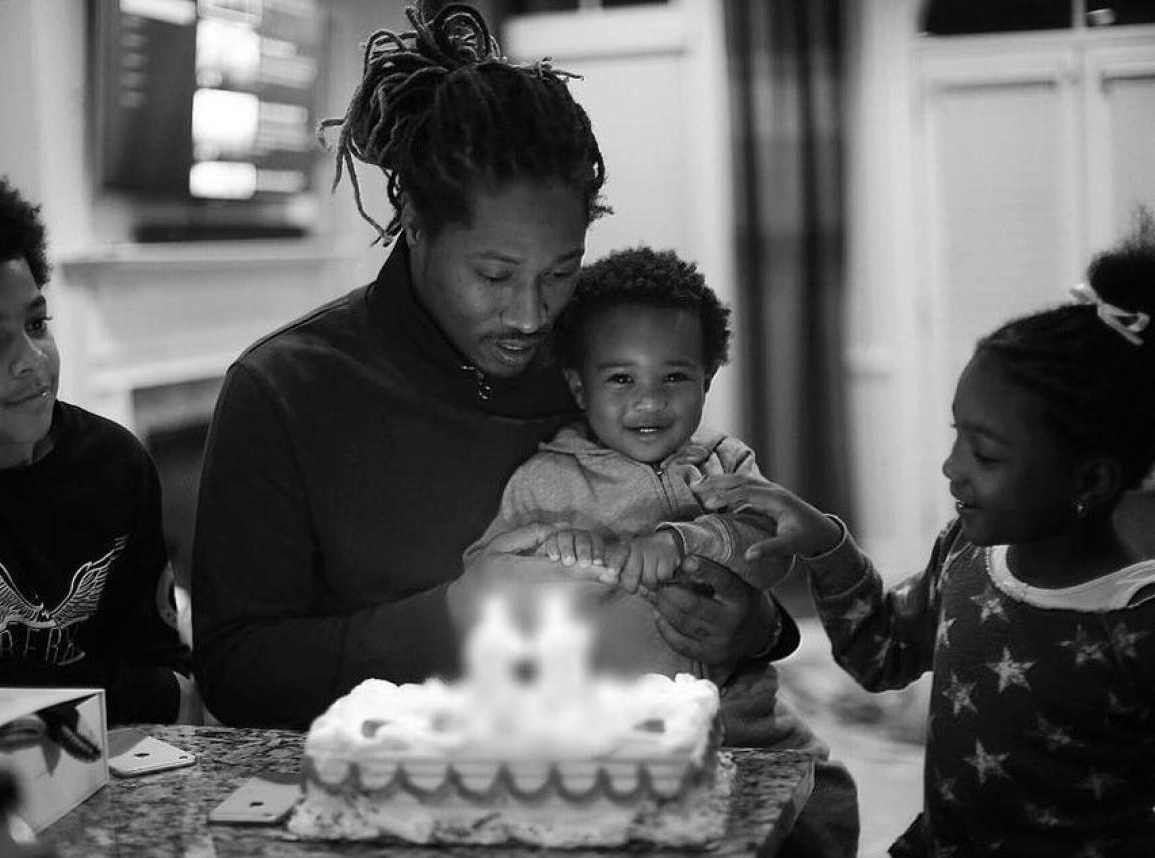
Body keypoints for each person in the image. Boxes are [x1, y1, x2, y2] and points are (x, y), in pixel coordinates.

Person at [192, 2, 802, 733]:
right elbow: (237, 674)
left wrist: (758, 625)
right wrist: (456, 612)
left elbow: (706, 517)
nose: (532, 316)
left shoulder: (597, 355)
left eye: (562, 271)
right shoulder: (285, 391)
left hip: (633, 751)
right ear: (415, 223)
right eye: (493, 275)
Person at [696, 226, 1155, 856]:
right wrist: (825, 543)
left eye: (985, 454)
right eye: (956, 434)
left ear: (1090, 479)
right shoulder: (967, 553)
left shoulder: (1138, 626)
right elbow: (879, 653)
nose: (951, 467)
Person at [0, 161, 195, 725]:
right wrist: (96, 690)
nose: (32, 360)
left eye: (36, 324)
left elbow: (169, 682)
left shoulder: (116, 465)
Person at [465, 246, 794, 678]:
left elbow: (772, 547)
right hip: (599, 703)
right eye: (622, 378)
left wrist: (683, 541)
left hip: (733, 708)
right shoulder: (542, 480)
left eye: (674, 377)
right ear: (580, 389)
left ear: (706, 381)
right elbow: (483, 575)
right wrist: (554, 550)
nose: (650, 401)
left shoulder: (727, 461)